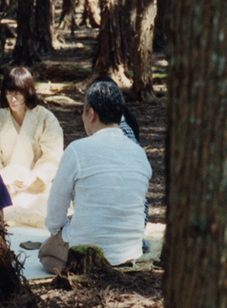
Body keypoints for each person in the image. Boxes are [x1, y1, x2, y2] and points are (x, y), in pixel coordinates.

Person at [39, 80, 151, 274]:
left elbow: (55, 213)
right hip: (130, 252)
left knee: (45, 252)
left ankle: (80, 268)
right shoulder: (139, 153)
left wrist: (60, 229)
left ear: (90, 113)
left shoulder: (77, 150)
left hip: (86, 253)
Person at [0, 66, 64, 227]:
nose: (13, 99)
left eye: (18, 93)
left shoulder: (46, 118)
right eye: (9, 92)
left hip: (36, 186)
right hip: (6, 187)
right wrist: (6, 181)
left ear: (28, 92)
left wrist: (33, 178)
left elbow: (52, 156)